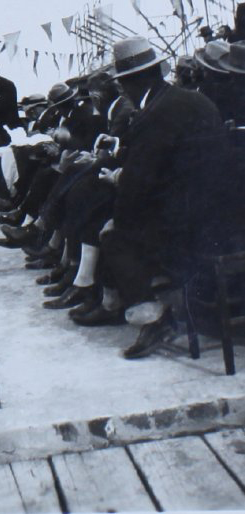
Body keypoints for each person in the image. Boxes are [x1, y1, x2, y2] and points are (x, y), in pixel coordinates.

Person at [82, 36, 236, 359]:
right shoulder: (193, 100)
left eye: (124, 84)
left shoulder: (153, 115)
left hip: (193, 229)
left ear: (131, 82)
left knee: (113, 233)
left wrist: (117, 197)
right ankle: (114, 302)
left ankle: (154, 318)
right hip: (227, 216)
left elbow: (136, 189)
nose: (124, 90)